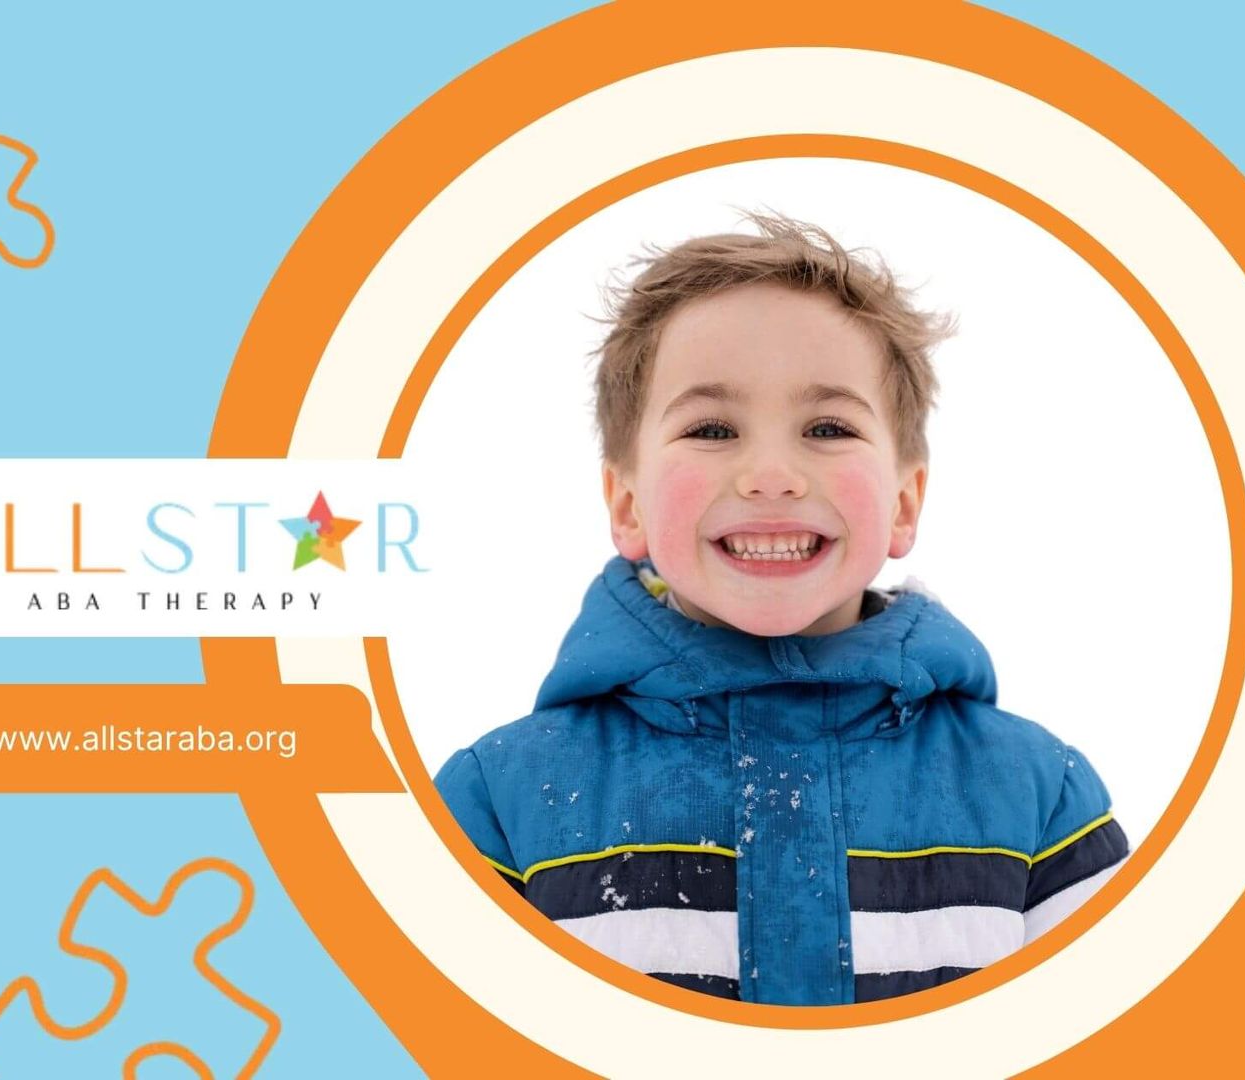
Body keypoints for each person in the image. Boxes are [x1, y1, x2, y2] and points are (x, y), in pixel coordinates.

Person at [432, 212, 1129, 1006]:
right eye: (712, 429)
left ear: (904, 503)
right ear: (628, 504)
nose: (770, 474)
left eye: (827, 427)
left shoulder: (1038, 798)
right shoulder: (498, 801)